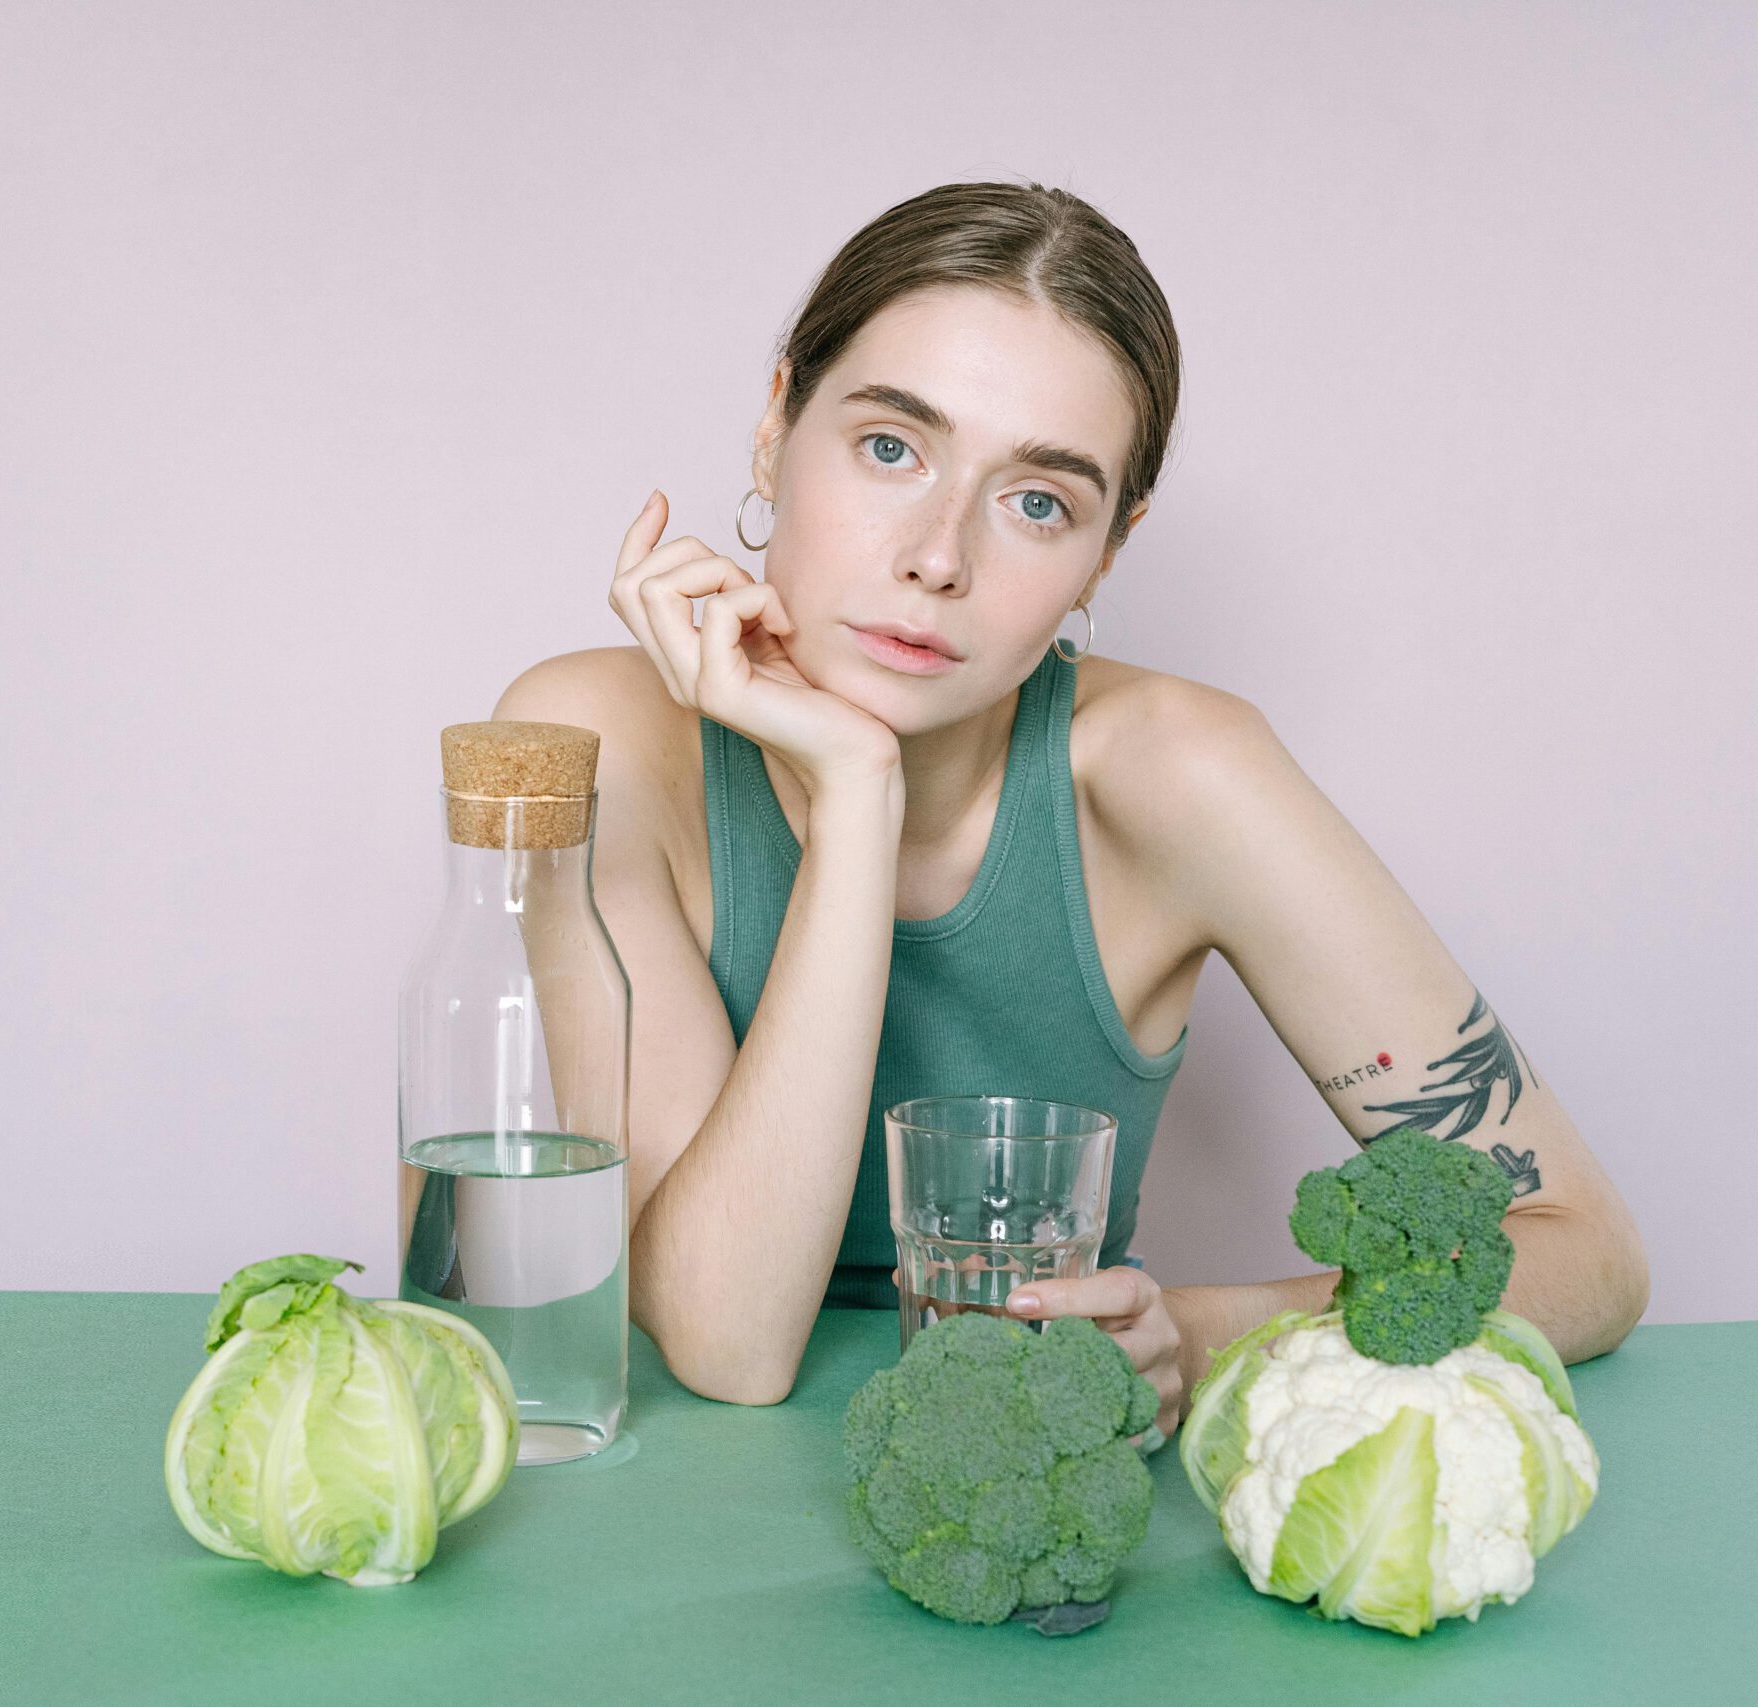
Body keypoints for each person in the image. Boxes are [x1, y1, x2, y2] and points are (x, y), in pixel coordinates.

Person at [493, 181, 1649, 1432]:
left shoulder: (1180, 773)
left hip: (1049, 1494)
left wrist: (1205, 1333)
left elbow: (1584, 1251)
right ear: (776, 424)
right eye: (891, 447)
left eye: (1037, 501)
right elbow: (729, 1338)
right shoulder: (592, 744)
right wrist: (857, 790)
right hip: (678, 1511)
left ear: (1109, 549)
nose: (938, 556)